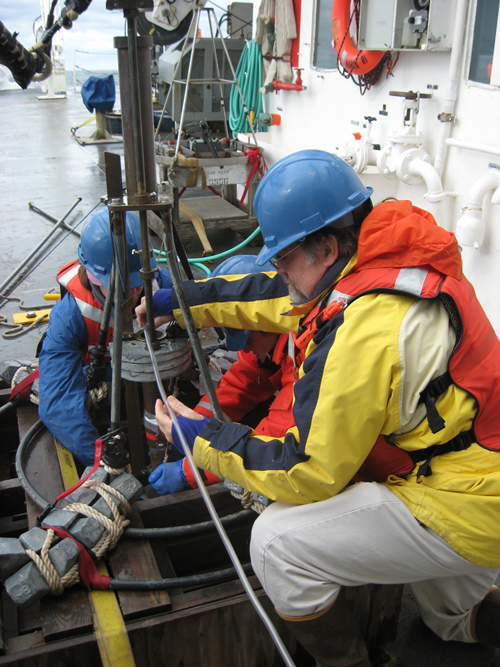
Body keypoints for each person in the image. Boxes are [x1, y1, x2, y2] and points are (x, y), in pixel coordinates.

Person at [136, 150, 500, 666]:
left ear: (327, 248)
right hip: (475, 472)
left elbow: (306, 468)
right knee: (451, 617)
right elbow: (277, 297)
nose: (279, 270)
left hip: (468, 501)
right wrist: (186, 298)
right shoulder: (387, 259)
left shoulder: (365, 328)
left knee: (274, 543)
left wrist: (199, 440)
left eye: (283, 257)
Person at [38, 207, 173, 467]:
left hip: (150, 382)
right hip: (105, 378)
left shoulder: (160, 283)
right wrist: (103, 459)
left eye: (137, 281)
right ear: (91, 275)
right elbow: (57, 404)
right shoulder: (70, 316)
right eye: (123, 284)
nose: (134, 292)